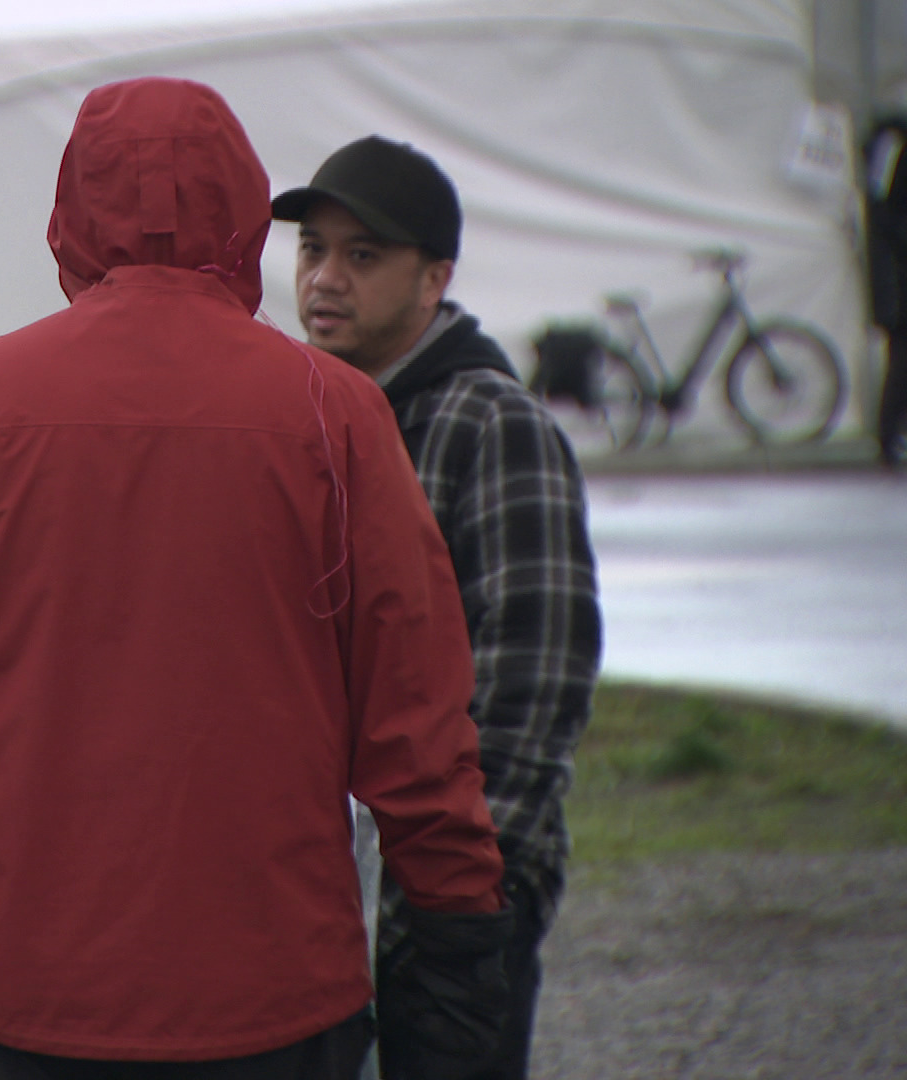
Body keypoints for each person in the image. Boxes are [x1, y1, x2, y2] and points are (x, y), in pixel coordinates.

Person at [0, 77, 514, 1080]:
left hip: (18, 987)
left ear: (71, 214)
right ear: (245, 210)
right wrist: (459, 923)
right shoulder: (334, 414)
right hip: (270, 989)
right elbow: (416, 713)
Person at [272, 135, 603, 1080]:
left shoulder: (490, 421)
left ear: (433, 280)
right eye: (312, 250)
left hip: (453, 891)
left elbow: (537, 677)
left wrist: (459, 892)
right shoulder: (310, 417)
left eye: (363, 256)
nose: (326, 279)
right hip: (327, 887)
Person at [863, 114, 907, 469]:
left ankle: (891, 436)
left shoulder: (889, 145)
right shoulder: (893, 146)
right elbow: (884, 217)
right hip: (897, 276)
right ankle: (889, 437)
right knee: (902, 360)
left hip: (895, 273)